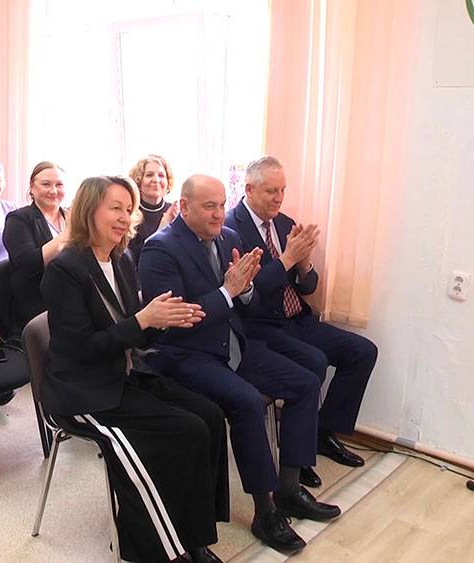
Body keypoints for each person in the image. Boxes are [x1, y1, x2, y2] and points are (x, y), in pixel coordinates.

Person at [138, 174, 339, 554]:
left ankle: (289, 489)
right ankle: (266, 511)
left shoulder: (228, 238)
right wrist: (229, 291)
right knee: (247, 402)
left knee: (305, 382)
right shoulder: (159, 249)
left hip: (231, 345)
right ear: (184, 207)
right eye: (208, 207)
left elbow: (250, 304)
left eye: (220, 205)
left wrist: (244, 290)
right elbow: (177, 318)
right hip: (185, 353)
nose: (219, 214)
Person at [41, 175, 228, 563]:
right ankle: (157, 547)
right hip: (82, 390)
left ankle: (193, 534)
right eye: (115, 208)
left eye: (129, 210)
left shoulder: (122, 259)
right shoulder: (65, 269)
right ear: (89, 210)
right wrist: (143, 319)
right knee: (184, 429)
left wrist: (164, 320)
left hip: (122, 375)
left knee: (209, 416)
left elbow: (135, 333)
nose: (125, 217)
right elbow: (83, 349)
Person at [225, 156, 378, 479]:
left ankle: (322, 434)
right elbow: (249, 293)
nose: (279, 198)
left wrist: (304, 263)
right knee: (314, 362)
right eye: (271, 191)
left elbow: (307, 286)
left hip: (297, 319)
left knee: (363, 352)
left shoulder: (284, 224)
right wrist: (287, 259)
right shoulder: (230, 229)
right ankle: (298, 456)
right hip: (261, 326)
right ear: (249, 189)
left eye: (283, 190)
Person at [2, 161, 69, 332]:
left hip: (71, 291)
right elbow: (29, 264)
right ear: (32, 187)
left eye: (59, 185)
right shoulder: (18, 219)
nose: (53, 190)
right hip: (38, 298)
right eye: (46, 184)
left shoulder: (70, 216)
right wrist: (67, 236)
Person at [128, 154, 179, 265]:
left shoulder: (175, 211)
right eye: (149, 175)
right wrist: (161, 229)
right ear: (138, 181)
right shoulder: (130, 213)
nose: (156, 180)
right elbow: (130, 257)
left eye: (161, 175)